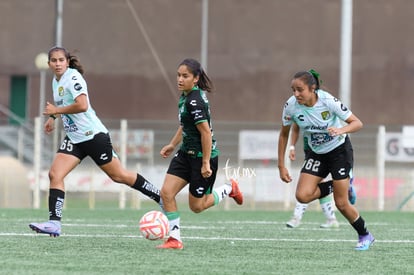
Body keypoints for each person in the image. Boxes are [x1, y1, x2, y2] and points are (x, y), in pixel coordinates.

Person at [29, 46, 162, 237]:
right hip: (75, 138)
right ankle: (54, 223)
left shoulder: (73, 77)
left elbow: (82, 105)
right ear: (49, 63)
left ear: (67, 62)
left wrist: (56, 112)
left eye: (61, 60)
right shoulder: (55, 80)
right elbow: (63, 102)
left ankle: (160, 197)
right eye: (54, 61)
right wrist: (54, 118)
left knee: (119, 176)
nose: (58, 64)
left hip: (93, 135)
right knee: (55, 174)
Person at [278, 69, 375, 251]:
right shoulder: (291, 105)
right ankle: (342, 184)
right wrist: (281, 165)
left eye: (300, 90)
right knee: (302, 195)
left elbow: (357, 123)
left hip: (339, 151)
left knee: (341, 203)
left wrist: (341, 130)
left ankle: (365, 235)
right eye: (293, 90)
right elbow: (284, 134)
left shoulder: (327, 101)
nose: (296, 94)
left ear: (312, 88)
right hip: (317, 154)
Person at [156, 58, 243, 249]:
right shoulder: (185, 96)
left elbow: (205, 132)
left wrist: (205, 163)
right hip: (185, 154)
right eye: (178, 75)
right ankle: (174, 239)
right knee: (167, 193)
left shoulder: (194, 101)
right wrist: (172, 144)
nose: (180, 79)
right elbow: (186, 125)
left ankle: (229, 188)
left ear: (195, 78)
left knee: (197, 207)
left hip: (203, 157)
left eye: (185, 76)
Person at [286, 123, 340, 229]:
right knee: (317, 184)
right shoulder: (299, 110)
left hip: (323, 151)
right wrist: (292, 147)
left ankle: (297, 217)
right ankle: (331, 219)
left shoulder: (322, 109)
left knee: (306, 187)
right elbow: (296, 127)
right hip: (310, 149)